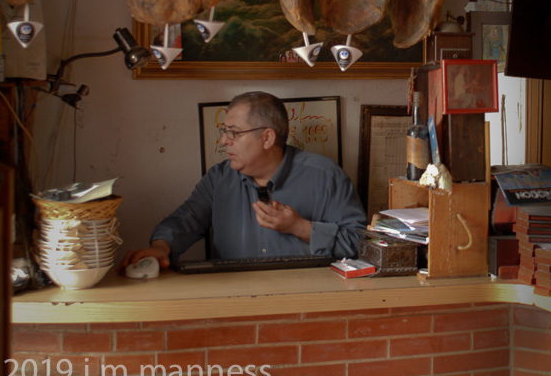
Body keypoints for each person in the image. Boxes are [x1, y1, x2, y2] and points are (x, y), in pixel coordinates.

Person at [120, 91, 367, 271]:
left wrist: (300, 228)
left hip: (306, 303)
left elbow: (361, 244)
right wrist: (161, 248)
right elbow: (185, 220)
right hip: (234, 303)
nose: (224, 141)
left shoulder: (325, 176)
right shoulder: (219, 178)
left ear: (267, 137)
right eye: (224, 132)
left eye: (234, 133)